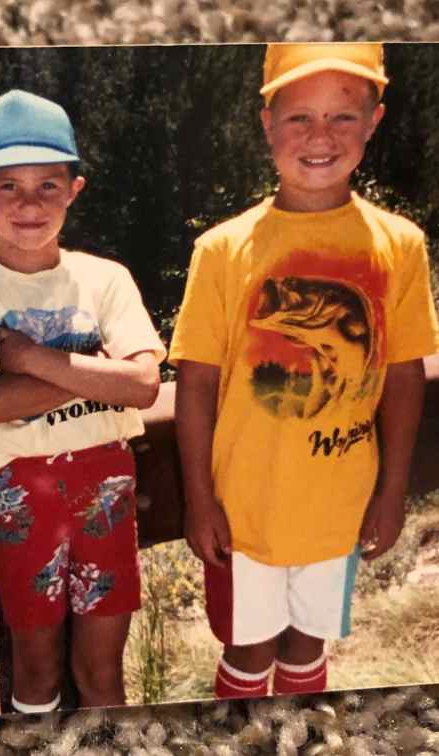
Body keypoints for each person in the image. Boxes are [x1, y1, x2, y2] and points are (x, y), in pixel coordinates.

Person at [169, 43, 439, 698]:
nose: (321, 138)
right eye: (299, 118)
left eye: (343, 118)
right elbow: (197, 383)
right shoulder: (224, 249)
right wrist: (201, 498)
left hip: (339, 505)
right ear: (267, 123)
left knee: (308, 642)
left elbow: (403, 374)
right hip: (244, 508)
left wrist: (391, 492)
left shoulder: (399, 244)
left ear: (374, 121)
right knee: (247, 647)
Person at [0, 89, 165, 712]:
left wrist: (33, 359)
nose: (29, 204)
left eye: (47, 185)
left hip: (107, 488)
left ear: (74, 189)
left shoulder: (105, 278)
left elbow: (144, 386)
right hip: (20, 494)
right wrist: (99, 371)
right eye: (8, 187)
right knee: (35, 673)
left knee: (102, 673)